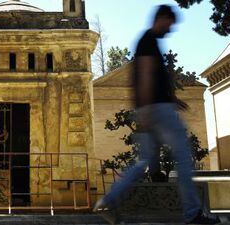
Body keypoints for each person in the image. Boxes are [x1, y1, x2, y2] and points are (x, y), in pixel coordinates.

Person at [93, 5, 220, 225]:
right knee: (183, 157)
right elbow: (144, 75)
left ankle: (108, 200)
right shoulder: (148, 41)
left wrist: (171, 100)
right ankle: (193, 214)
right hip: (157, 110)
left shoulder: (149, 42)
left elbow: (154, 78)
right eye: (170, 23)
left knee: (143, 161)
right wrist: (148, 110)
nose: (170, 29)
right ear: (161, 19)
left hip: (153, 108)